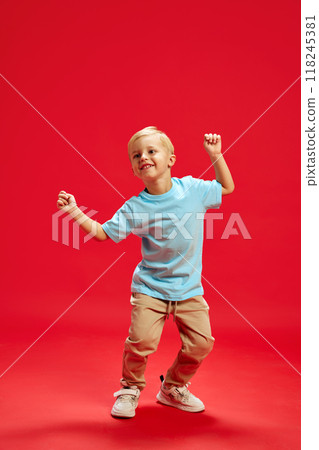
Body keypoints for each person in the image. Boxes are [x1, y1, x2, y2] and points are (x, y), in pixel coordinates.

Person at [57, 126, 234, 418]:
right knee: (142, 341)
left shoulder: (193, 189)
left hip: (189, 288)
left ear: (170, 159)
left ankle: (173, 388)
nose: (144, 157)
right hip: (150, 288)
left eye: (152, 151)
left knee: (202, 343)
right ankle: (130, 388)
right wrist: (75, 212)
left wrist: (216, 156)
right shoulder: (135, 208)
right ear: (134, 169)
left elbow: (226, 187)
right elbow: (103, 234)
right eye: (137, 155)